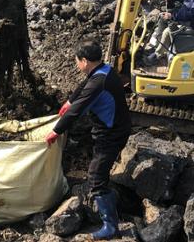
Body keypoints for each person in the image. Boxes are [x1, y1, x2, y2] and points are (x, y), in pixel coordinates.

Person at [44, 41, 131, 240]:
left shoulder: (98, 84)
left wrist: (55, 132)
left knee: (95, 177)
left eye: (77, 61)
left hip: (111, 134)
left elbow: (76, 111)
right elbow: (84, 85)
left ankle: (111, 226)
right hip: (115, 127)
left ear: (84, 61)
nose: (76, 65)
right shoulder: (104, 70)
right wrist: (69, 100)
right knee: (98, 167)